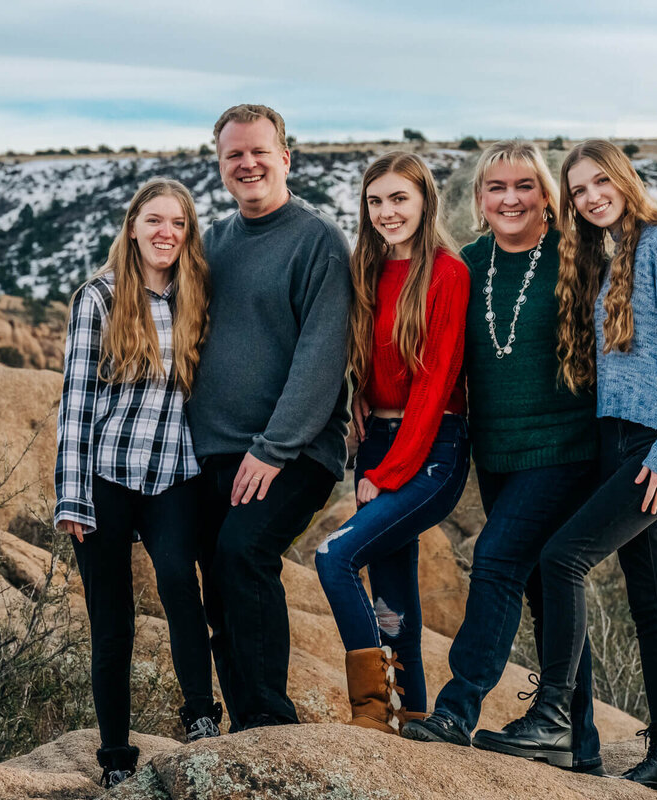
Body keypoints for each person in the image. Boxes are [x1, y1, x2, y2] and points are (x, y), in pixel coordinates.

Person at [471, 138, 657, 800]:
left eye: (600, 182)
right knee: (650, 597)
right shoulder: (607, 258)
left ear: (625, 181)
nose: (591, 196)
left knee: (561, 560)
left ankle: (551, 717)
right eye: (579, 190)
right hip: (619, 444)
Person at [402, 140, 607, 775]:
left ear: (547, 194)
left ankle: (457, 710)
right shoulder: (467, 264)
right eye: (496, 187)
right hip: (499, 451)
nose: (510, 198)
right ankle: (580, 741)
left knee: (495, 561)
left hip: (567, 448)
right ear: (479, 199)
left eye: (524, 185)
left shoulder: (578, 256)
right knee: (548, 589)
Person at [187, 104, 351, 731]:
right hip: (211, 451)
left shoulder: (318, 241)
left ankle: (267, 721)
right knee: (215, 577)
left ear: (286, 157)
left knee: (243, 553)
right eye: (234, 155)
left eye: (259, 151)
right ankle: (241, 726)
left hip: (294, 449)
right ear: (221, 166)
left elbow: (322, 358)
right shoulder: (212, 244)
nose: (247, 164)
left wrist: (273, 448)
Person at [54, 177, 222, 788]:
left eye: (177, 223)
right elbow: (74, 401)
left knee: (181, 584)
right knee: (113, 618)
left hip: (173, 470)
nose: (165, 233)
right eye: (154, 220)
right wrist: (71, 495)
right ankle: (116, 758)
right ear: (132, 226)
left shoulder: (194, 295)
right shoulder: (97, 297)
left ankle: (202, 717)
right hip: (106, 475)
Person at [314, 152, 470, 733]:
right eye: (375, 201)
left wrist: (392, 472)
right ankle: (416, 718)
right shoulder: (366, 268)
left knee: (334, 558)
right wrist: (354, 400)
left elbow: (435, 385)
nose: (386, 212)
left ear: (425, 200)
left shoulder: (448, 272)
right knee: (393, 595)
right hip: (375, 442)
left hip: (432, 450)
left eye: (399, 198)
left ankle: (373, 711)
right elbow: (359, 354)